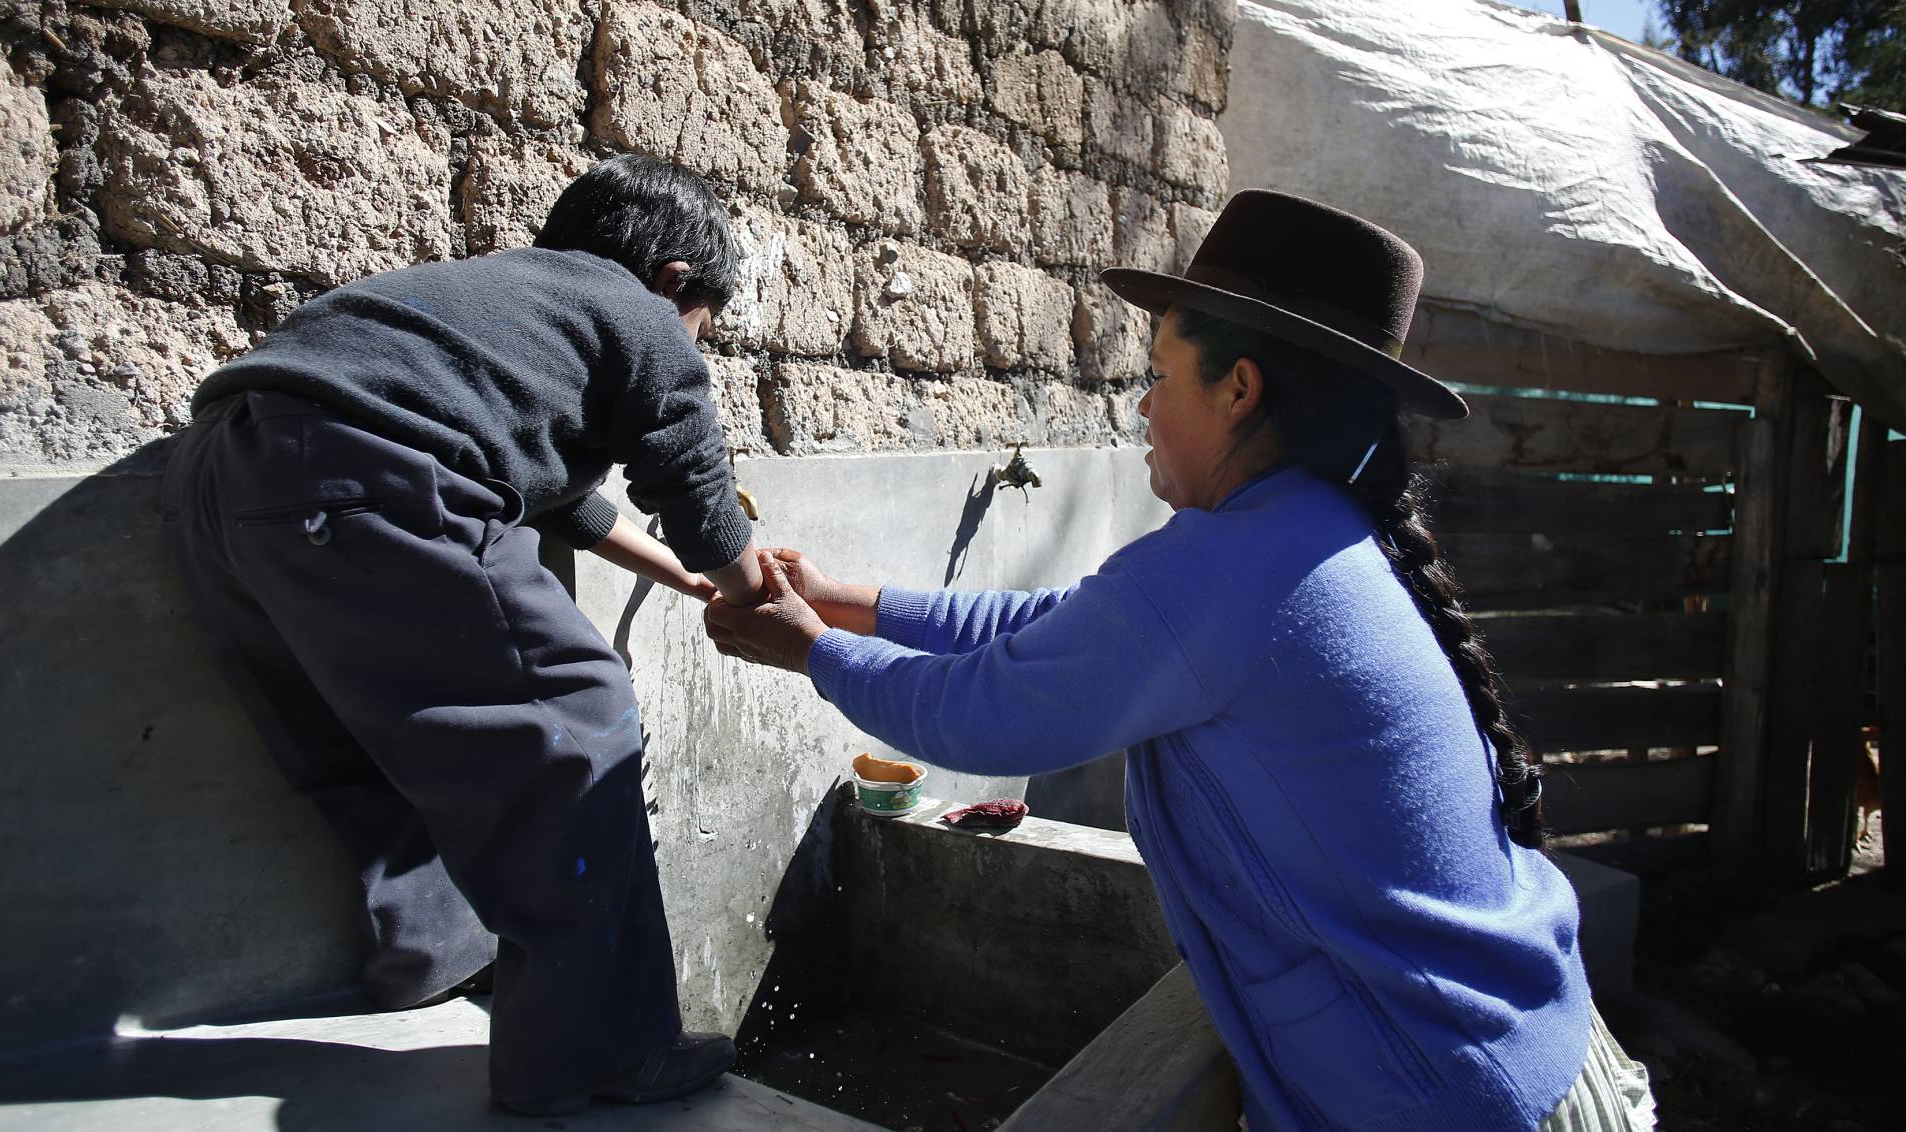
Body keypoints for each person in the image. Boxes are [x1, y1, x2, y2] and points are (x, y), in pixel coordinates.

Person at [702, 191, 1657, 1131]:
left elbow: (982, 714)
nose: (1144, 404)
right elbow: (1055, 624)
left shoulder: (1234, 567)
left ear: (1239, 388)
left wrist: (812, 651)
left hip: (1437, 1095)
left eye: (1159, 371)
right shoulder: (1311, 536)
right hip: (1525, 1052)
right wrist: (846, 603)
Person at [160, 155, 764, 1115]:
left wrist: (685, 579)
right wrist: (756, 594)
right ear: (676, 282)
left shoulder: (497, 309)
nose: (691, 344)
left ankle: (432, 958)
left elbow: (563, 500)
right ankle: (597, 1052)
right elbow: (689, 479)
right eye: (701, 328)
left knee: (358, 736)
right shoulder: (639, 313)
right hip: (374, 473)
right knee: (577, 724)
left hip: (220, 473)